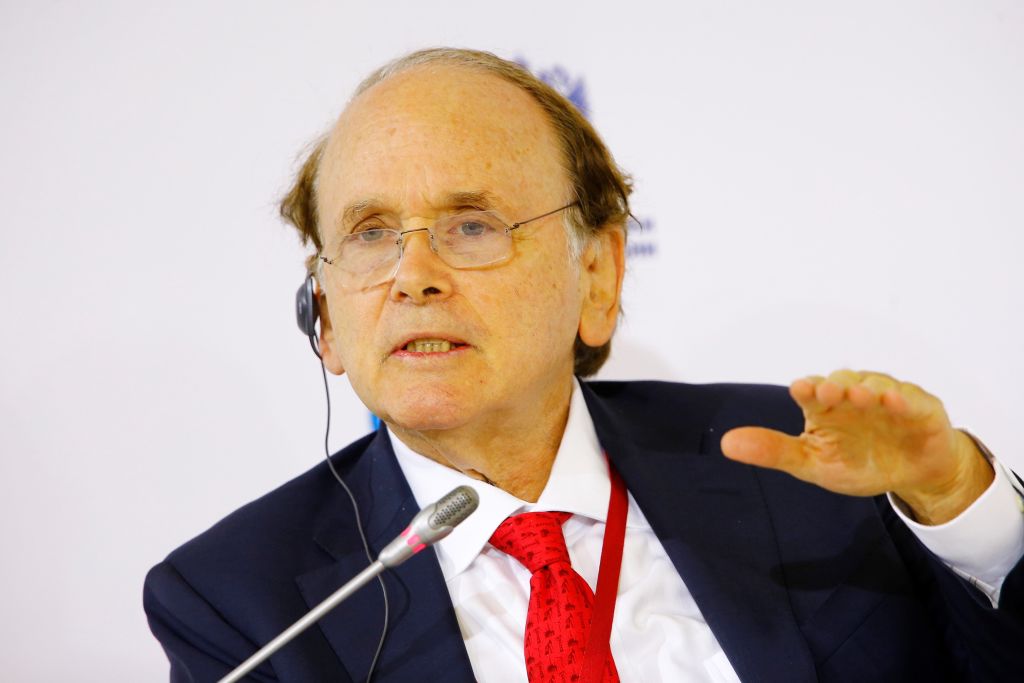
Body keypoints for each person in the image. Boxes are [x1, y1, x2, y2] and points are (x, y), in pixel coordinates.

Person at [144, 48, 1024, 682]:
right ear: (325, 316)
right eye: (370, 234)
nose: (413, 275)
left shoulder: (793, 464)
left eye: (472, 225)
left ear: (597, 275)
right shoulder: (243, 602)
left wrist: (957, 499)